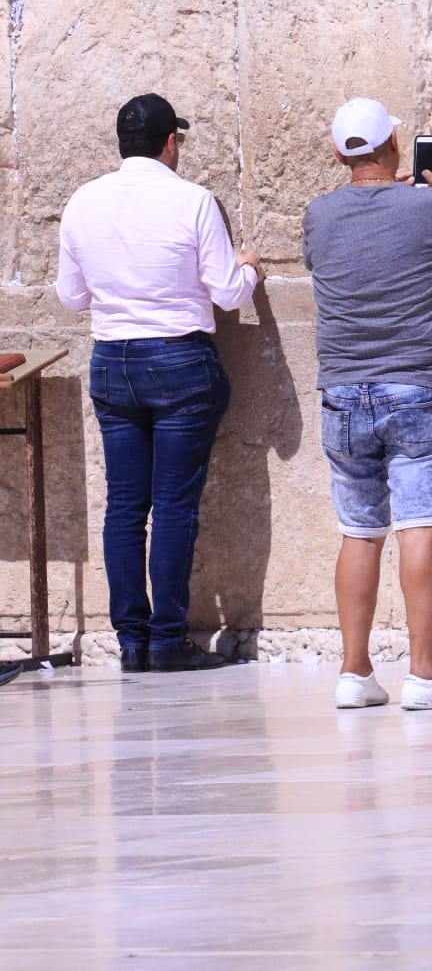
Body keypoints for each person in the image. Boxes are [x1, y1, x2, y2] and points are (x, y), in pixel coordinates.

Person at [304, 97, 432, 710]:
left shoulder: (318, 215)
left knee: (359, 531)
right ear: (395, 140)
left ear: (340, 153)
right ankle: (423, 675)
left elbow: (347, 245)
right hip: (415, 387)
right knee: (419, 527)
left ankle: (354, 672)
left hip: (342, 391)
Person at [56, 94, 264, 674]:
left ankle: (132, 643)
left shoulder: (82, 202)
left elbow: (71, 296)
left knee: (125, 506)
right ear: (171, 141)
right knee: (173, 507)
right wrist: (250, 268)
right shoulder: (192, 200)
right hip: (178, 364)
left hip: (113, 364)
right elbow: (227, 293)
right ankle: (168, 640)